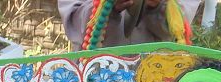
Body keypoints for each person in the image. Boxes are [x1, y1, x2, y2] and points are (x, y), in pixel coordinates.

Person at [59, 0, 201, 49]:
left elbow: (179, 31)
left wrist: (157, 6)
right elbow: (74, 24)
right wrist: (107, 8)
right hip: (95, 81)